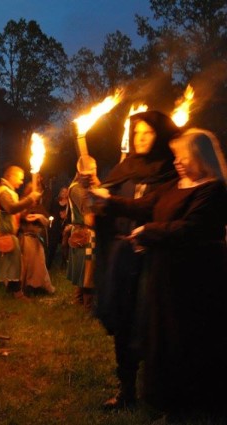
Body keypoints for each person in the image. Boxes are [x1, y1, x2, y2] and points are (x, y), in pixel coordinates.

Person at [90, 128, 227, 421]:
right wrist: (108, 200)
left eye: (183, 156)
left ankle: (191, 405)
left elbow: (191, 228)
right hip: (164, 275)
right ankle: (166, 401)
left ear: (200, 156)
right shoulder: (176, 185)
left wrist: (148, 231)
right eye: (176, 156)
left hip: (195, 278)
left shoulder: (213, 189)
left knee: (186, 339)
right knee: (162, 336)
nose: (177, 162)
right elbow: (143, 205)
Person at [93, 110, 180, 410]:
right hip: (122, 257)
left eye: (148, 133)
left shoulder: (171, 171)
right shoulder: (122, 169)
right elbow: (100, 209)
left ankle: (158, 387)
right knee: (124, 319)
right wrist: (96, 203)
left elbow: (158, 209)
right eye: (137, 133)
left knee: (150, 321)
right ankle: (126, 387)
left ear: (160, 136)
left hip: (154, 257)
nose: (140, 138)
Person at [0, 166, 41, 299]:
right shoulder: (4, 192)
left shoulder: (11, 192)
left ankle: (15, 292)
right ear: (11, 176)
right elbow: (11, 208)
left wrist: (28, 208)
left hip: (9, 236)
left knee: (14, 264)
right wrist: (29, 199)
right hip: (2, 236)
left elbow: (16, 213)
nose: (21, 182)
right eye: (20, 178)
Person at [66, 156, 99, 311]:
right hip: (85, 233)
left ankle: (79, 301)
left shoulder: (84, 188)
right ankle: (88, 306)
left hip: (85, 232)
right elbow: (90, 218)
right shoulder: (77, 189)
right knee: (87, 270)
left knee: (85, 269)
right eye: (92, 169)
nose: (94, 172)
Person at [19, 184, 55, 295]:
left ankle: (36, 286)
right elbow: (17, 219)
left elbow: (48, 222)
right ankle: (22, 287)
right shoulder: (22, 205)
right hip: (24, 239)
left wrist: (41, 218)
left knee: (38, 265)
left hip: (36, 241)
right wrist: (25, 217)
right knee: (24, 265)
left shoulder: (39, 207)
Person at [46, 186, 69, 269]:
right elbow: (50, 212)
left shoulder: (69, 204)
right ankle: (48, 264)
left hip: (65, 226)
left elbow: (71, 215)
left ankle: (64, 263)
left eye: (66, 192)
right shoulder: (55, 201)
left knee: (65, 245)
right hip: (55, 226)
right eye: (63, 191)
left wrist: (66, 216)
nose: (64, 193)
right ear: (60, 192)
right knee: (52, 245)